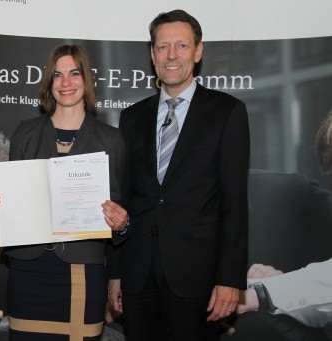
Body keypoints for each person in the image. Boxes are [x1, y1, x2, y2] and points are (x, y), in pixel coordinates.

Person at [111, 9, 250, 341]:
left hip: (197, 277)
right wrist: (115, 274)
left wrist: (230, 279)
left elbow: (234, 204)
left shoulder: (227, 112)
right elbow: (123, 199)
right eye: (162, 47)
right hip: (138, 274)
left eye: (181, 46)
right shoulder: (131, 118)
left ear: (198, 52)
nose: (171, 55)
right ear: (152, 54)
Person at [0, 44, 129, 340]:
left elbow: (119, 220)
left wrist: (122, 224)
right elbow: (14, 207)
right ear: (49, 82)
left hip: (82, 275)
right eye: (57, 75)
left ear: (86, 79)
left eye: (74, 73)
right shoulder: (25, 133)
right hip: (27, 273)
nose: (66, 83)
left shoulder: (110, 140)